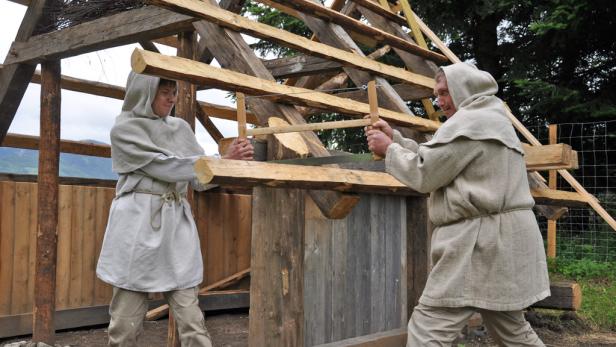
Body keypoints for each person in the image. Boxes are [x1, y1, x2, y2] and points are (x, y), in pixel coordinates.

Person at [365, 62, 550, 346]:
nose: (439, 102)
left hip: (479, 242)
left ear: (463, 89)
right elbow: (444, 162)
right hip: (502, 240)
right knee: (512, 332)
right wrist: (396, 140)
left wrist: (388, 149)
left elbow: (425, 173)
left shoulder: (470, 124)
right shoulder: (488, 119)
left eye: (443, 93)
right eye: (437, 94)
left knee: (428, 329)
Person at [96, 72, 253, 346]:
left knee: (191, 319)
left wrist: (229, 163)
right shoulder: (124, 129)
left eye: (174, 91)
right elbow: (165, 166)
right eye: (163, 91)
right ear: (144, 93)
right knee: (125, 324)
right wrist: (218, 160)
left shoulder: (180, 128)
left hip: (176, 225)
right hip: (137, 226)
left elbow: (199, 180)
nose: (171, 98)